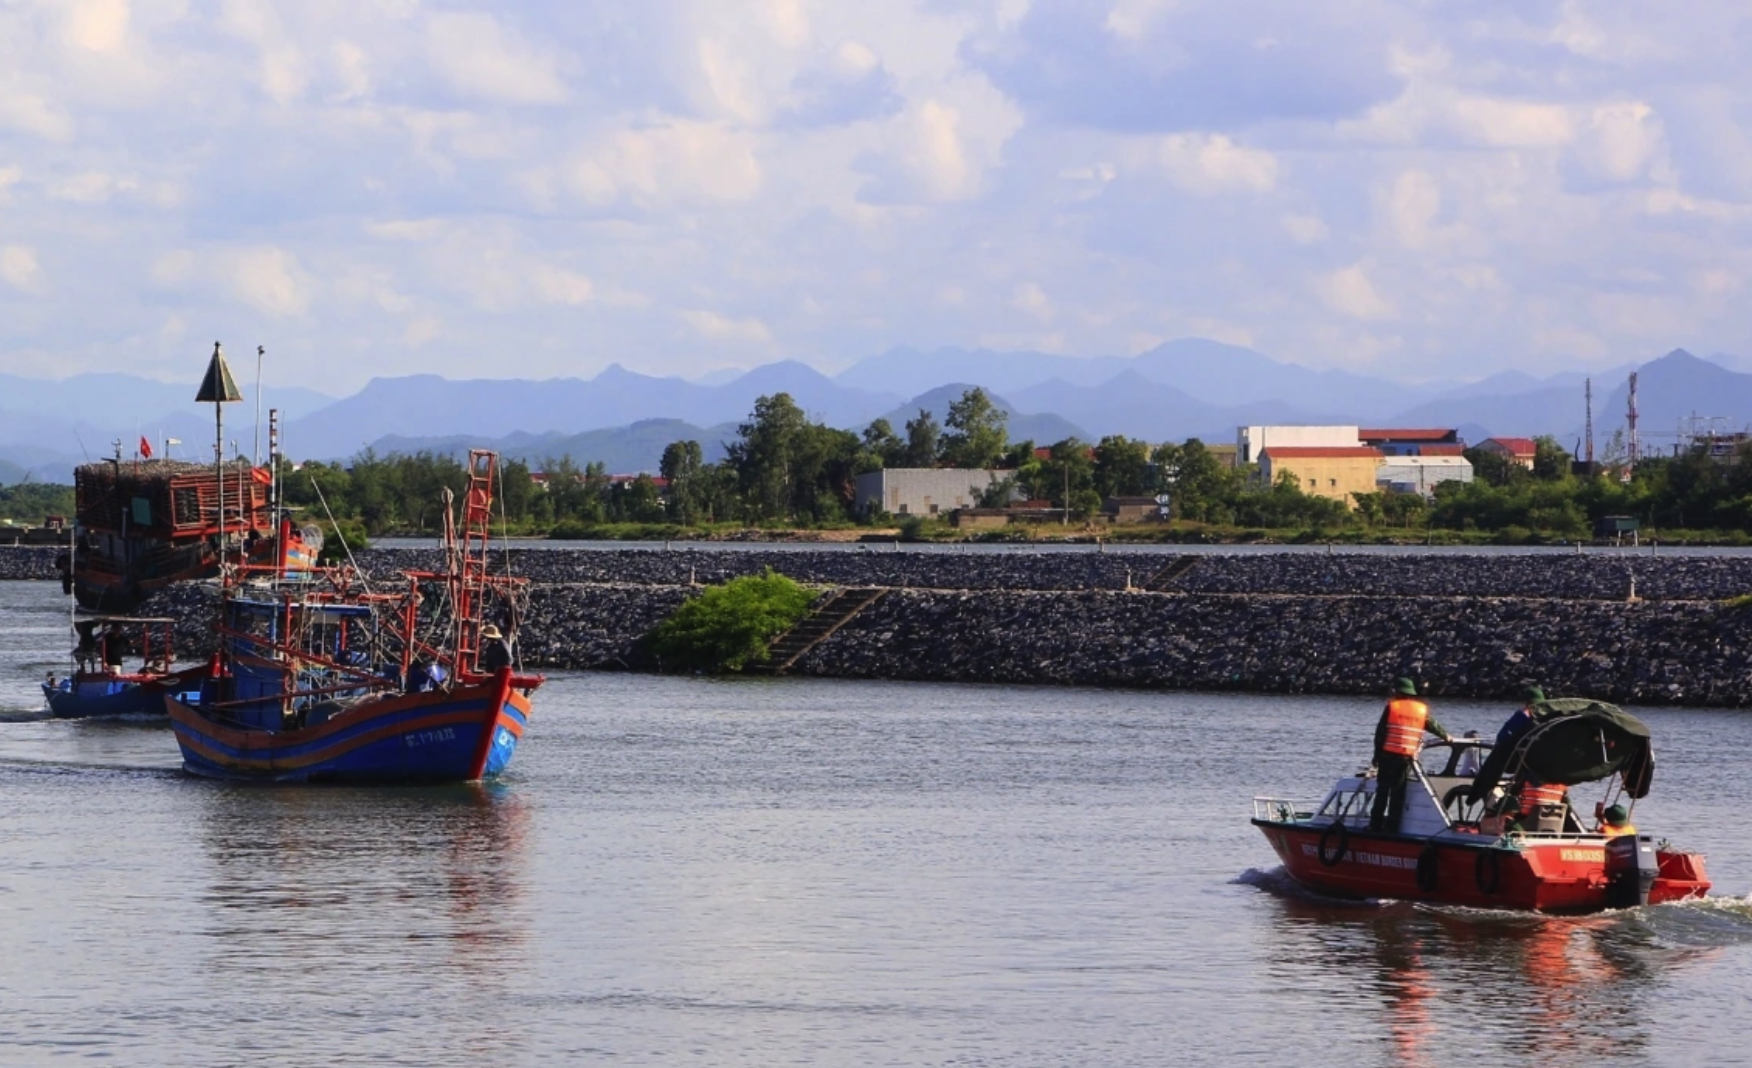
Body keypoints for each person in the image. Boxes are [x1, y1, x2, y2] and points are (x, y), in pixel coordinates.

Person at [1370, 677, 1452, 833]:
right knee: (1398, 794)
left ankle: (1375, 825)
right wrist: (1446, 736)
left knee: (1382, 792)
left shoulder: (1392, 707)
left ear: (1398, 692)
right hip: (1406, 758)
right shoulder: (1421, 710)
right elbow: (1433, 725)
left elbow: (1380, 734)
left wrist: (1376, 756)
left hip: (1388, 756)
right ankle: (1392, 828)